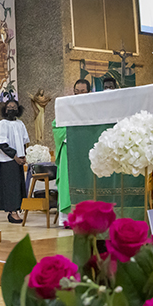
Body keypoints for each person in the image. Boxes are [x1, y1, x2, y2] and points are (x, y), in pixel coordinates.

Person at [52, 78, 92, 218]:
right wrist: (74, 136)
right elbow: (57, 127)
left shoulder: (94, 109)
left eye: (83, 91)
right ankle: (68, 217)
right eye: (76, 92)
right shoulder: (66, 108)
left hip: (88, 150)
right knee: (68, 182)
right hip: (70, 150)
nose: (79, 94)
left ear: (90, 92)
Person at [0, 100, 29, 224]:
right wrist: (15, 156)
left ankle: (17, 209)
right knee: (10, 186)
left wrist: (23, 156)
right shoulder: (2, 124)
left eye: (14, 107)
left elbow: (24, 141)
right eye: (9, 107)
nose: (11, 109)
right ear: (5, 109)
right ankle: (12, 212)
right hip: (8, 159)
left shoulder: (20, 124)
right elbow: (2, 144)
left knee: (18, 185)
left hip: (18, 159)